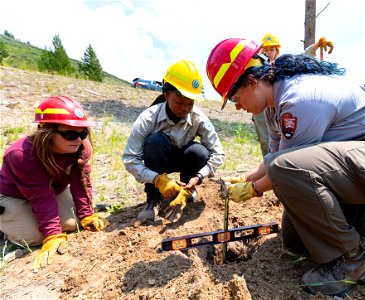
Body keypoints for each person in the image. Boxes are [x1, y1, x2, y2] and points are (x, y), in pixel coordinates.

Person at [206, 38, 365, 296]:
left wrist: (253, 189)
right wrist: (247, 177)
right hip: (363, 162)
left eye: (235, 97)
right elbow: (275, 157)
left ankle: (353, 262)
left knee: (286, 171)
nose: (238, 106)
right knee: (295, 239)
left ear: (251, 82)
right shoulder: (273, 107)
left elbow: (285, 169)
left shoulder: (299, 99)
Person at [0, 95, 108, 272]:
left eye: (83, 133)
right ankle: (5, 224)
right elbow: (40, 197)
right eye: (70, 134)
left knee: (75, 222)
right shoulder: (21, 155)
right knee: (35, 236)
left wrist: (87, 214)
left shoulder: (79, 147)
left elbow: (81, 182)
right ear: (46, 132)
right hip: (13, 196)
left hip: (50, 190)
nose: (79, 139)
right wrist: (52, 234)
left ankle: (27, 219)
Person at [122, 60, 225, 223]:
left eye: (190, 103)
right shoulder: (148, 118)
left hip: (183, 159)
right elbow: (130, 159)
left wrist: (199, 176)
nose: (185, 109)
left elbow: (218, 153)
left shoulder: (199, 118)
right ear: (166, 95)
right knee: (155, 142)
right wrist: (157, 179)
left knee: (199, 152)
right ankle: (153, 199)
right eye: (180, 102)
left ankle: (187, 189)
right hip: (157, 160)